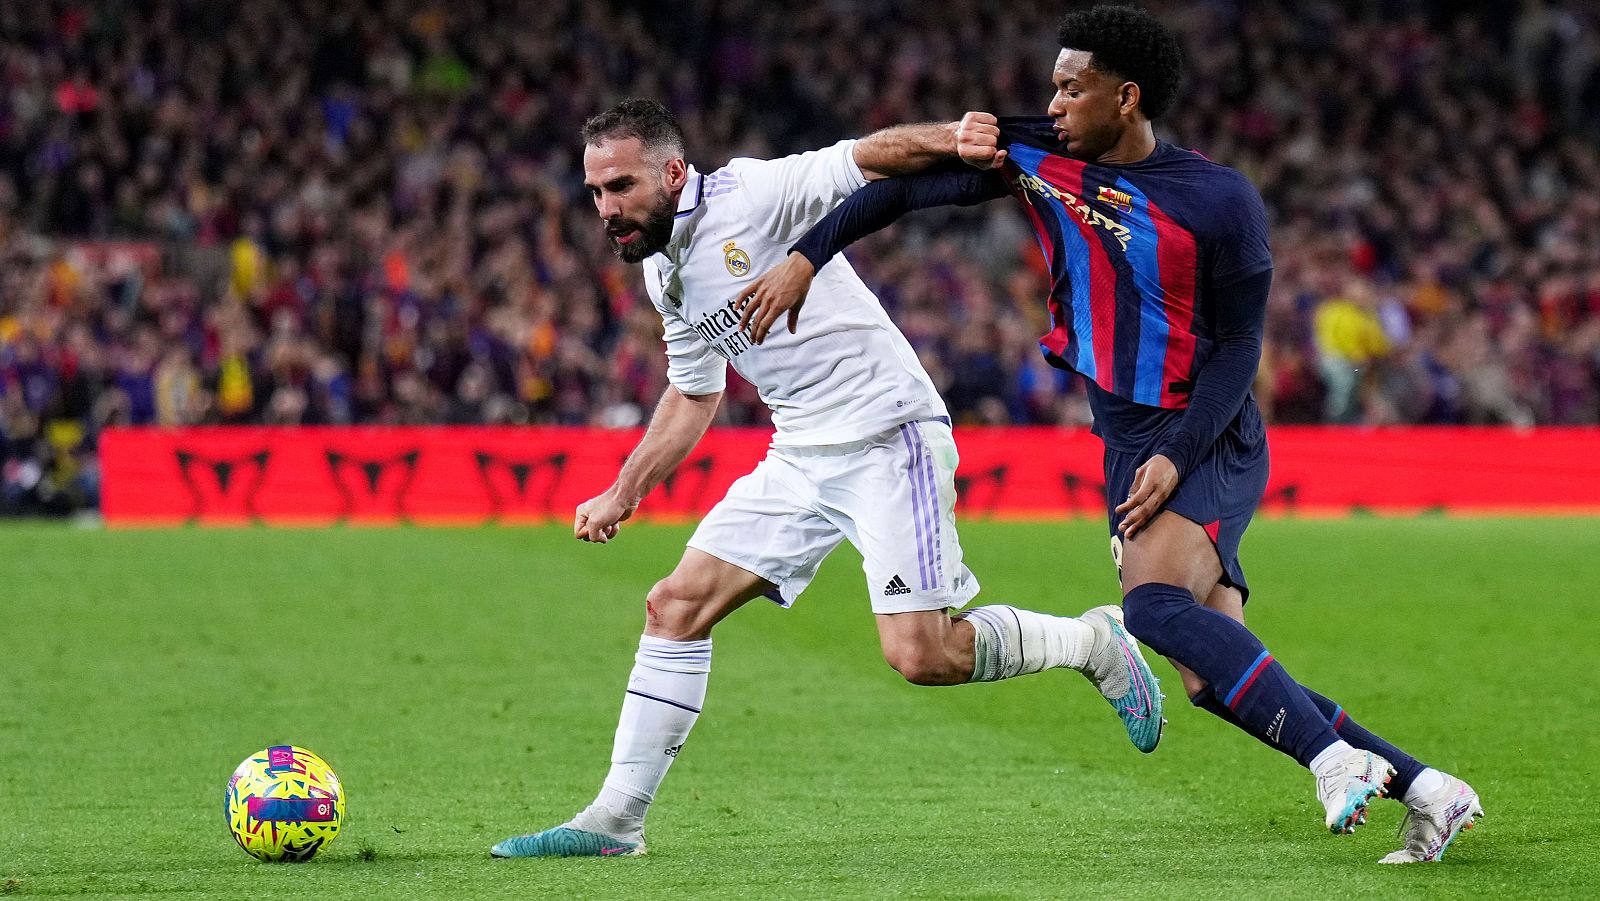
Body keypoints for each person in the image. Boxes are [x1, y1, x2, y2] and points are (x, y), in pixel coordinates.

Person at [734, 6, 1481, 864]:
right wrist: (808, 253)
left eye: (1070, 87)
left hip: (1206, 429)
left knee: (1151, 606)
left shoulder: (1219, 199)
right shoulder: (1039, 156)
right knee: (1210, 677)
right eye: (1052, 85)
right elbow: (905, 187)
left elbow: (1241, 345)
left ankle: (1331, 761)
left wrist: (1175, 452)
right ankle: (1428, 788)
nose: (1052, 102)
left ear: (1124, 98)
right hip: (1126, 438)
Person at [489, 99, 1164, 860]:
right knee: (674, 605)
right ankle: (616, 820)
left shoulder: (752, 195)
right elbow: (694, 389)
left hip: (886, 435)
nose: (606, 208)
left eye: (620, 186)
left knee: (923, 655)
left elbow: (864, 157)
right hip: (800, 451)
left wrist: (952, 138)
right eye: (596, 193)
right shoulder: (661, 272)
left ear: (674, 172)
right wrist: (625, 489)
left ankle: (1094, 642)